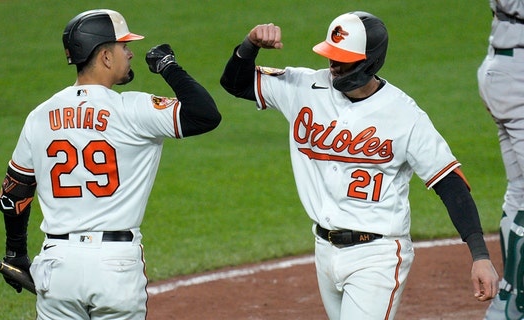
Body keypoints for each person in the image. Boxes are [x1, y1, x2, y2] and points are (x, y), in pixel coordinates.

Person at [220, 11, 499, 319]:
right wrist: (249, 45)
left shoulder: (404, 115)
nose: (334, 66)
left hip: (376, 257)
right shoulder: (303, 87)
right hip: (323, 250)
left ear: (370, 62)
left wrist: (480, 255)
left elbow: (449, 183)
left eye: (344, 59)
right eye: (331, 57)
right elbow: (234, 83)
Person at [0, 9, 221, 319]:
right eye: (123, 47)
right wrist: (169, 67)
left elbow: (13, 194)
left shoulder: (39, 116)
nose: (130, 53)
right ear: (104, 56)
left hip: (58, 266)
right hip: (115, 266)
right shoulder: (133, 109)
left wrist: (16, 254)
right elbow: (205, 115)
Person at [477, 1, 524, 319]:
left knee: (520, 190)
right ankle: (515, 302)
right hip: (516, 74)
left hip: (506, 66)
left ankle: (509, 298)